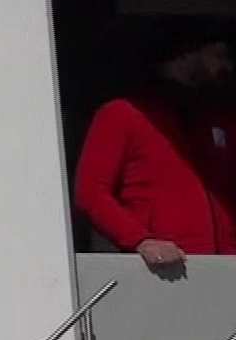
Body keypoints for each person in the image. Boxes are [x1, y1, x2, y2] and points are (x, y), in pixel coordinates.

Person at [74, 16, 236, 275]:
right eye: (218, 56)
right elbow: (90, 192)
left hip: (225, 269)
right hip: (160, 273)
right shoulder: (122, 114)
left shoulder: (218, 120)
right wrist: (141, 240)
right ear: (186, 54)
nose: (226, 67)